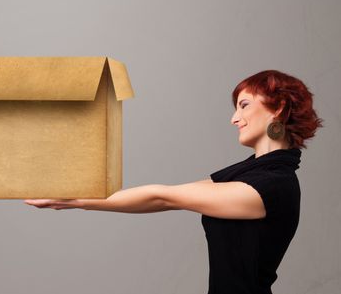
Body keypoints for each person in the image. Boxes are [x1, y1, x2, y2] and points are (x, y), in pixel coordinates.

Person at [24, 69, 323, 294]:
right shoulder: (245, 174)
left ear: (280, 107)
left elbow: (163, 196)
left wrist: (74, 201)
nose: (234, 118)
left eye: (244, 105)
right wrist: (79, 194)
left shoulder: (275, 186)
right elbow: (164, 196)